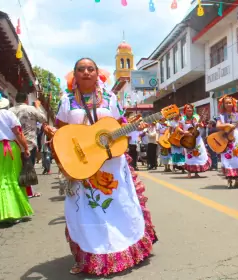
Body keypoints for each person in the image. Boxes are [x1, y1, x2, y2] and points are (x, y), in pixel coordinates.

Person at [44, 58, 156, 276]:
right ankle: (85, 257)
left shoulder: (110, 98)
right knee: (83, 213)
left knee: (119, 207)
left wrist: (135, 126)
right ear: (74, 75)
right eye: (81, 69)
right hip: (81, 166)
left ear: (98, 74)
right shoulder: (66, 101)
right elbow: (62, 133)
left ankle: (127, 251)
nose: (86, 72)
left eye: (90, 69)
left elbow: (119, 125)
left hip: (111, 165)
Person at [0, 89, 33, 224]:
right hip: (8, 148)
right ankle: (10, 212)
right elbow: (18, 132)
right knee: (9, 177)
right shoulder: (8, 114)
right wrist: (25, 147)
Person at [9, 92, 47, 198]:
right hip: (29, 142)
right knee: (29, 167)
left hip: (14, 143)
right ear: (26, 99)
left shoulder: (10, 111)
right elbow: (43, 118)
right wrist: (38, 107)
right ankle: (28, 192)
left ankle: (22, 191)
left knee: (18, 168)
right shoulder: (30, 109)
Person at [178, 103, 211, 178]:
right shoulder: (182, 119)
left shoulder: (196, 117)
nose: (189, 109)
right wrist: (184, 132)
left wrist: (200, 125)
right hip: (188, 139)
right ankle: (189, 172)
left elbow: (202, 125)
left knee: (198, 154)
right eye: (188, 108)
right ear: (185, 111)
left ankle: (196, 172)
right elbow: (178, 128)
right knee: (189, 155)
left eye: (191, 108)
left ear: (193, 110)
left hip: (197, 138)